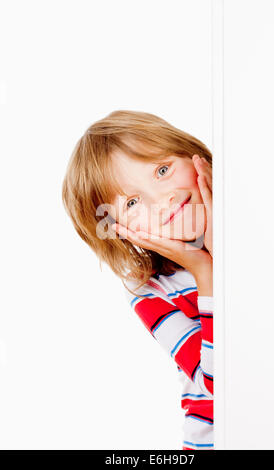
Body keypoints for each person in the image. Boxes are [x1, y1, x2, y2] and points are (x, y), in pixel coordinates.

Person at [62, 110, 213, 450]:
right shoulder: (151, 292)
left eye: (162, 170)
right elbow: (223, 384)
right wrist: (205, 272)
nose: (163, 199)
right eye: (132, 202)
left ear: (192, 153)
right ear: (120, 233)